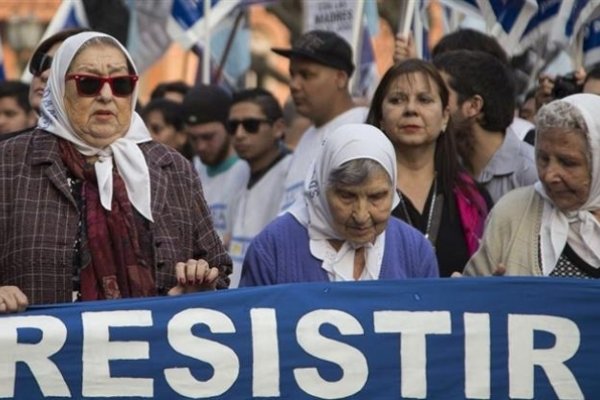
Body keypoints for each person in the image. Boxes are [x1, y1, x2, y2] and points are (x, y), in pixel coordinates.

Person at [0, 31, 232, 313]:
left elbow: (218, 270)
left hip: (151, 351)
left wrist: (200, 286)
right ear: (60, 89)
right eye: (89, 83)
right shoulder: (10, 164)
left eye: (121, 84)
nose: (107, 96)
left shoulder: (170, 167)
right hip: (41, 353)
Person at [240, 123, 438, 286]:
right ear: (323, 187)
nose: (361, 215)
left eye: (376, 197)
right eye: (347, 196)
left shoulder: (415, 251)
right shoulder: (273, 248)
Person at [367, 59, 490, 276]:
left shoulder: (472, 198)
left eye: (424, 100)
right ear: (380, 119)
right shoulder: (359, 194)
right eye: (397, 100)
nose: (411, 109)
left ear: (444, 117)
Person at [464, 93, 600, 278]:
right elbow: (473, 292)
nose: (549, 175)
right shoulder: (512, 213)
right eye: (543, 159)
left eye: (567, 162)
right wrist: (489, 296)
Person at [271, 30, 369, 211]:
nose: (294, 85)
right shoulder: (308, 135)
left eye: (306, 75)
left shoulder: (363, 127)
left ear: (340, 78)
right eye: (292, 75)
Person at [434, 50, 538, 204]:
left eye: (439, 95)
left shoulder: (532, 174)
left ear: (473, 106)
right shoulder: (442, 166)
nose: (428, 107)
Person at [226, 88, 292, 287]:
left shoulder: (290, 171)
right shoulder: (237, 171)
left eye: (251, 125)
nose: (239, 134)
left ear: (278, 128)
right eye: (233, 126)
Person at [181, 85, 250, 243]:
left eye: (208, 137)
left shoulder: (246, 171)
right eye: (193, 138)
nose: (200, 146)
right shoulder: (191, 171)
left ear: (228, 127)